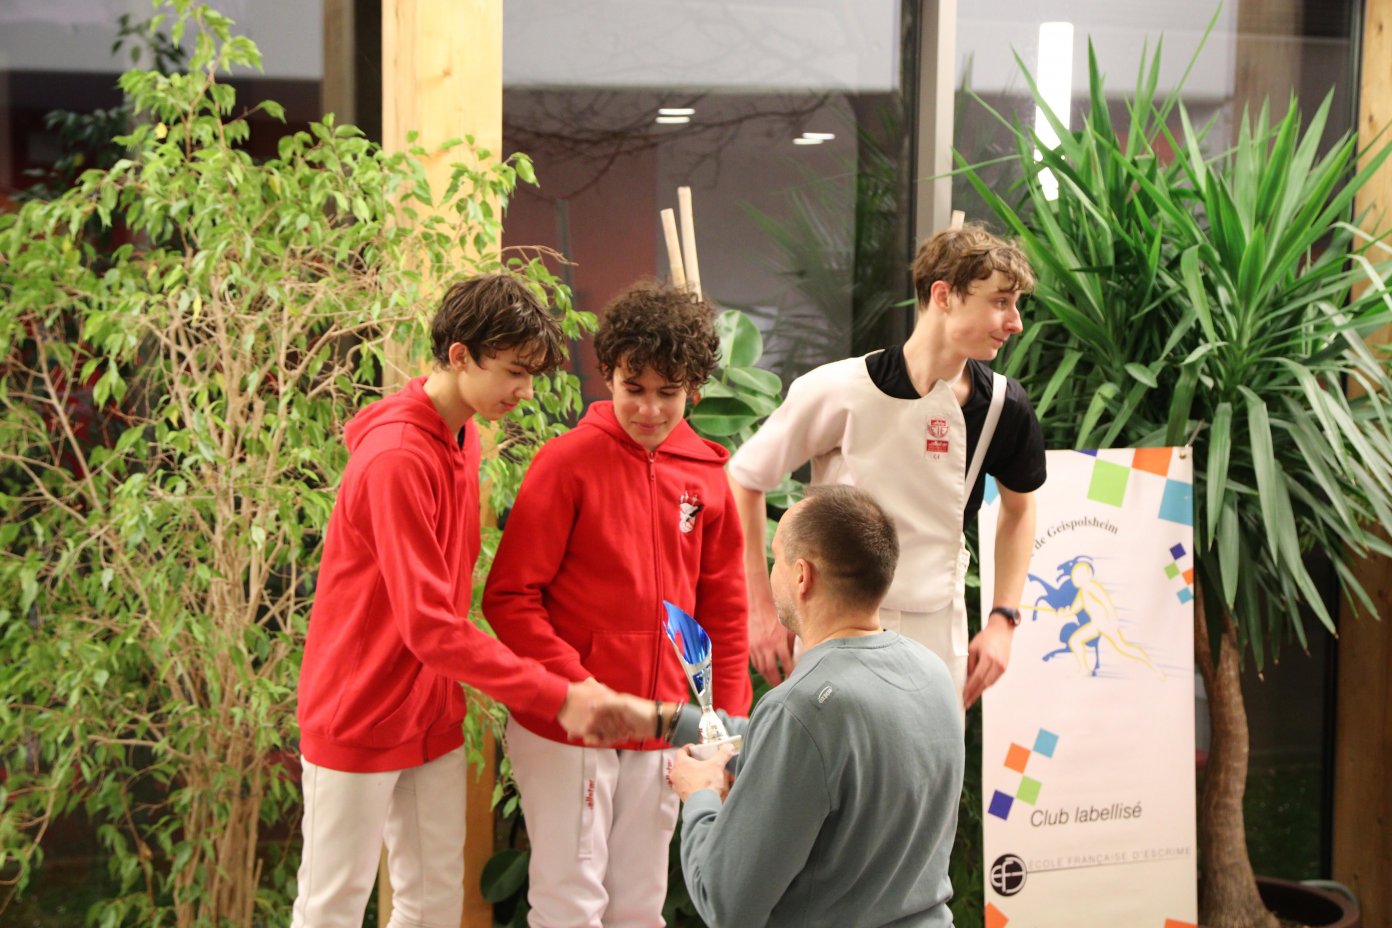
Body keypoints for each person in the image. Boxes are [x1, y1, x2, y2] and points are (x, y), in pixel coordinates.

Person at [292, 274, 624, 928]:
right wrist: (556, 694)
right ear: (459, 355)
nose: (526, 392)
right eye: (514, 373)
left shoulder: (463, 435)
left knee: (434, 905)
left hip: (430, 709)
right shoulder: (395, 457)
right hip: (357, 710)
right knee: (330, 910)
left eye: (532, 375)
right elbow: (431, 625)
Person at [484, 281, 752, 928]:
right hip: (569, 723)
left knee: (638, 908)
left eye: (669, 392)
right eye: (635, 388)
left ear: (694, 389)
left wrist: (725, 727)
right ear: (608, 374)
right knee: (569, 905)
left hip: (663, 724)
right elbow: (510, 597)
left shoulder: (709, 477)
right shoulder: (565, 463)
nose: (650, 409)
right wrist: (579, 688)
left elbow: (724, 613)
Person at [728, 224, 1046, 707]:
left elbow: (1020, 510)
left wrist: (1003, 618)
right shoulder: (837, 389)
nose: (1015, 322)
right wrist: (760, 609)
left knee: (929, 758)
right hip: (830, 627)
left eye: (1016, 304)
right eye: (1001, 302)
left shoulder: (1004, 405)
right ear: (943, 295)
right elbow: (745, 479)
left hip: (936, 631)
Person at [666, 485, 965, 928]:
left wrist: (700, 796)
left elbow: (726, 905)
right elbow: (835, 760)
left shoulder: (802, 707)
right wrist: (676, 721)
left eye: (776, 558)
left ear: (802, 576)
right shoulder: (933, 673)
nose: (773, 572)